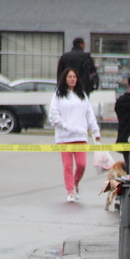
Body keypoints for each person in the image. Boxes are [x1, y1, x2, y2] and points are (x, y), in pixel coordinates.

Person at [48, 68, 101, 203]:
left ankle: (75, 183)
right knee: (67, 166)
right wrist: (65, 126)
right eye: (69, 77)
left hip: (80, 136)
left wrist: (95, 131)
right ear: (65, 79)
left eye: (74, 77)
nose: (72, 79)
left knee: (81, 164)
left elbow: (89, 114)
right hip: (64, 137)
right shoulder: (58, 95)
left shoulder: (82, 95)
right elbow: (53, 115)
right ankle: (70, 190)